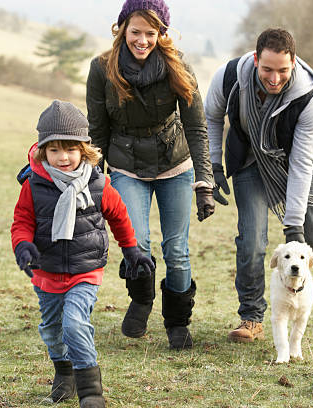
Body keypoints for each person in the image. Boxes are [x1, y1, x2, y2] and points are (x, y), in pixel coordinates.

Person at [86, 0, 215, 350]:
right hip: (126, 165)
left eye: (150, 33)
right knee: (136, 243)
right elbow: (97, 133)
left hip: (174, 163)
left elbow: (196, 127)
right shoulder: (102, 69)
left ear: (161, 34)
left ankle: (177, 321)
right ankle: (141, 300)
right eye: (136, 32)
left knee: (177, 249)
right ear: (122, 28)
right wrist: (94, 185)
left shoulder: (178, 66)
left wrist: (204, 181)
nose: (142, 40)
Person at [11, 100, 154, 407]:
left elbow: (118, 216)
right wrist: (23, 246)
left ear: (84, 149)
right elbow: (21, 222)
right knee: (52, 331)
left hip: (85, 271)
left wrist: (132, 250)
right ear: (42, 151)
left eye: (71, 149)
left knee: (75, 324)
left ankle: (91, 393)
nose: (63, 157)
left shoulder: (99, 185)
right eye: (54, 150)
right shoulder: (33, 186)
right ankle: (64, 373)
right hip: (45, 271)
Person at [204, 28, 313, 343]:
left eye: (283, 70)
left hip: (292, 165)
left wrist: (293, 226)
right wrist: (212, 165)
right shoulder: (229, 77)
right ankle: (251, 317)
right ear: (255, 60)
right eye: (267, 69)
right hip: (250, 164)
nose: (275, 78)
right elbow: (211, 117)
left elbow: (302, 164)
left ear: (294, 62)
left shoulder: (309, 97)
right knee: (251, 243)